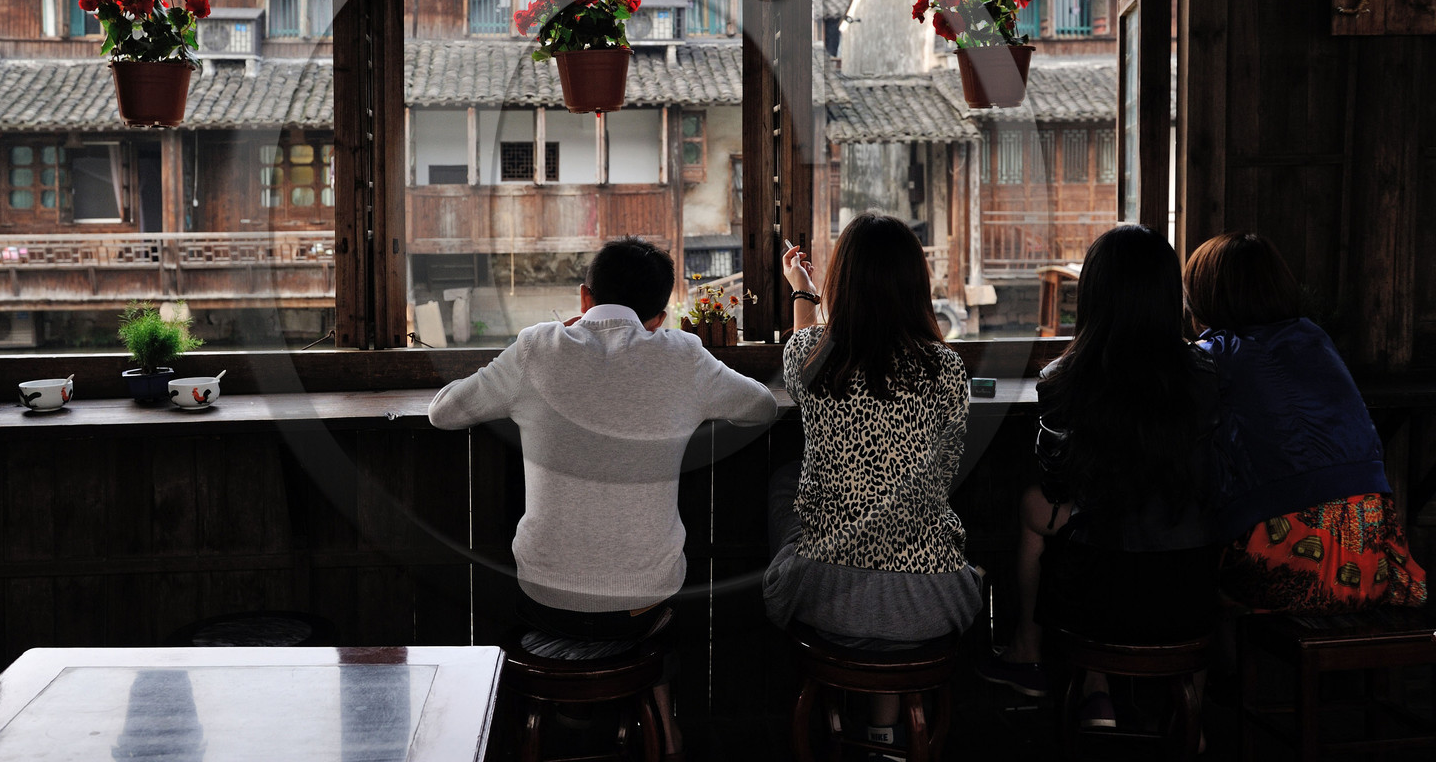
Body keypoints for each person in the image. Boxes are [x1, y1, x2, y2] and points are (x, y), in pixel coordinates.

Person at [428, 236, 780, 756]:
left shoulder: (535, 348)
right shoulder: (682, 356)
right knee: (653, 612)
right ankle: (665, 732)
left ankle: (575, 720)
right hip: (643, 603)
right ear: (660, 315)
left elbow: (443, 412)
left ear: (583, 298)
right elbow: (763, 407)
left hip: (547, 598)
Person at [977, 225, 1222, 730]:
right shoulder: (1208, 374)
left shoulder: (1064, 379)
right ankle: (1190, 717)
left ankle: (1075, 678)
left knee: (1035, 506)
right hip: (1192, 597)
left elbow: (1056, 481)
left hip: (1096, 602)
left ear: (1091, 294)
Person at [762, 212, 982, 751]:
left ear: (844, 284)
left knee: (784, 487)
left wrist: (803, 293)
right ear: (916, 285)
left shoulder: (813, 361)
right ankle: (885, 723)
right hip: (932, 599)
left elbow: (806, 348)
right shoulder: (947, 371)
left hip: (827, 596)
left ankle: (841, 714)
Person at [1185, 231, 1426, 611]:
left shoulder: (1211, 356)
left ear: (1206, 296)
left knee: (1187, 569)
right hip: (1377, 556)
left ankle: (1224, 670)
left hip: (1290, 562)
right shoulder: (1314, 338)